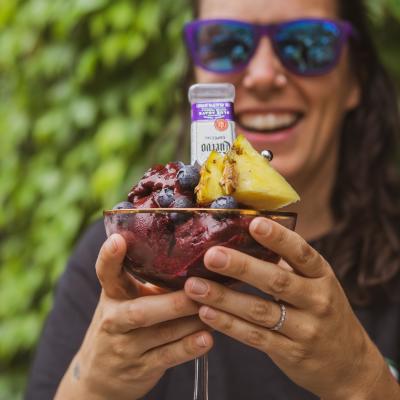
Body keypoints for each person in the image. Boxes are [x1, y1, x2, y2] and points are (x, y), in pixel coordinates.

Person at [26, 0, 400, 398]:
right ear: (195, 75)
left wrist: (364, 380)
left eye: (306, 44)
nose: (262, 75)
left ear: (355, 78)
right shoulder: (124, 260)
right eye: (225, 44)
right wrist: (94, 388)